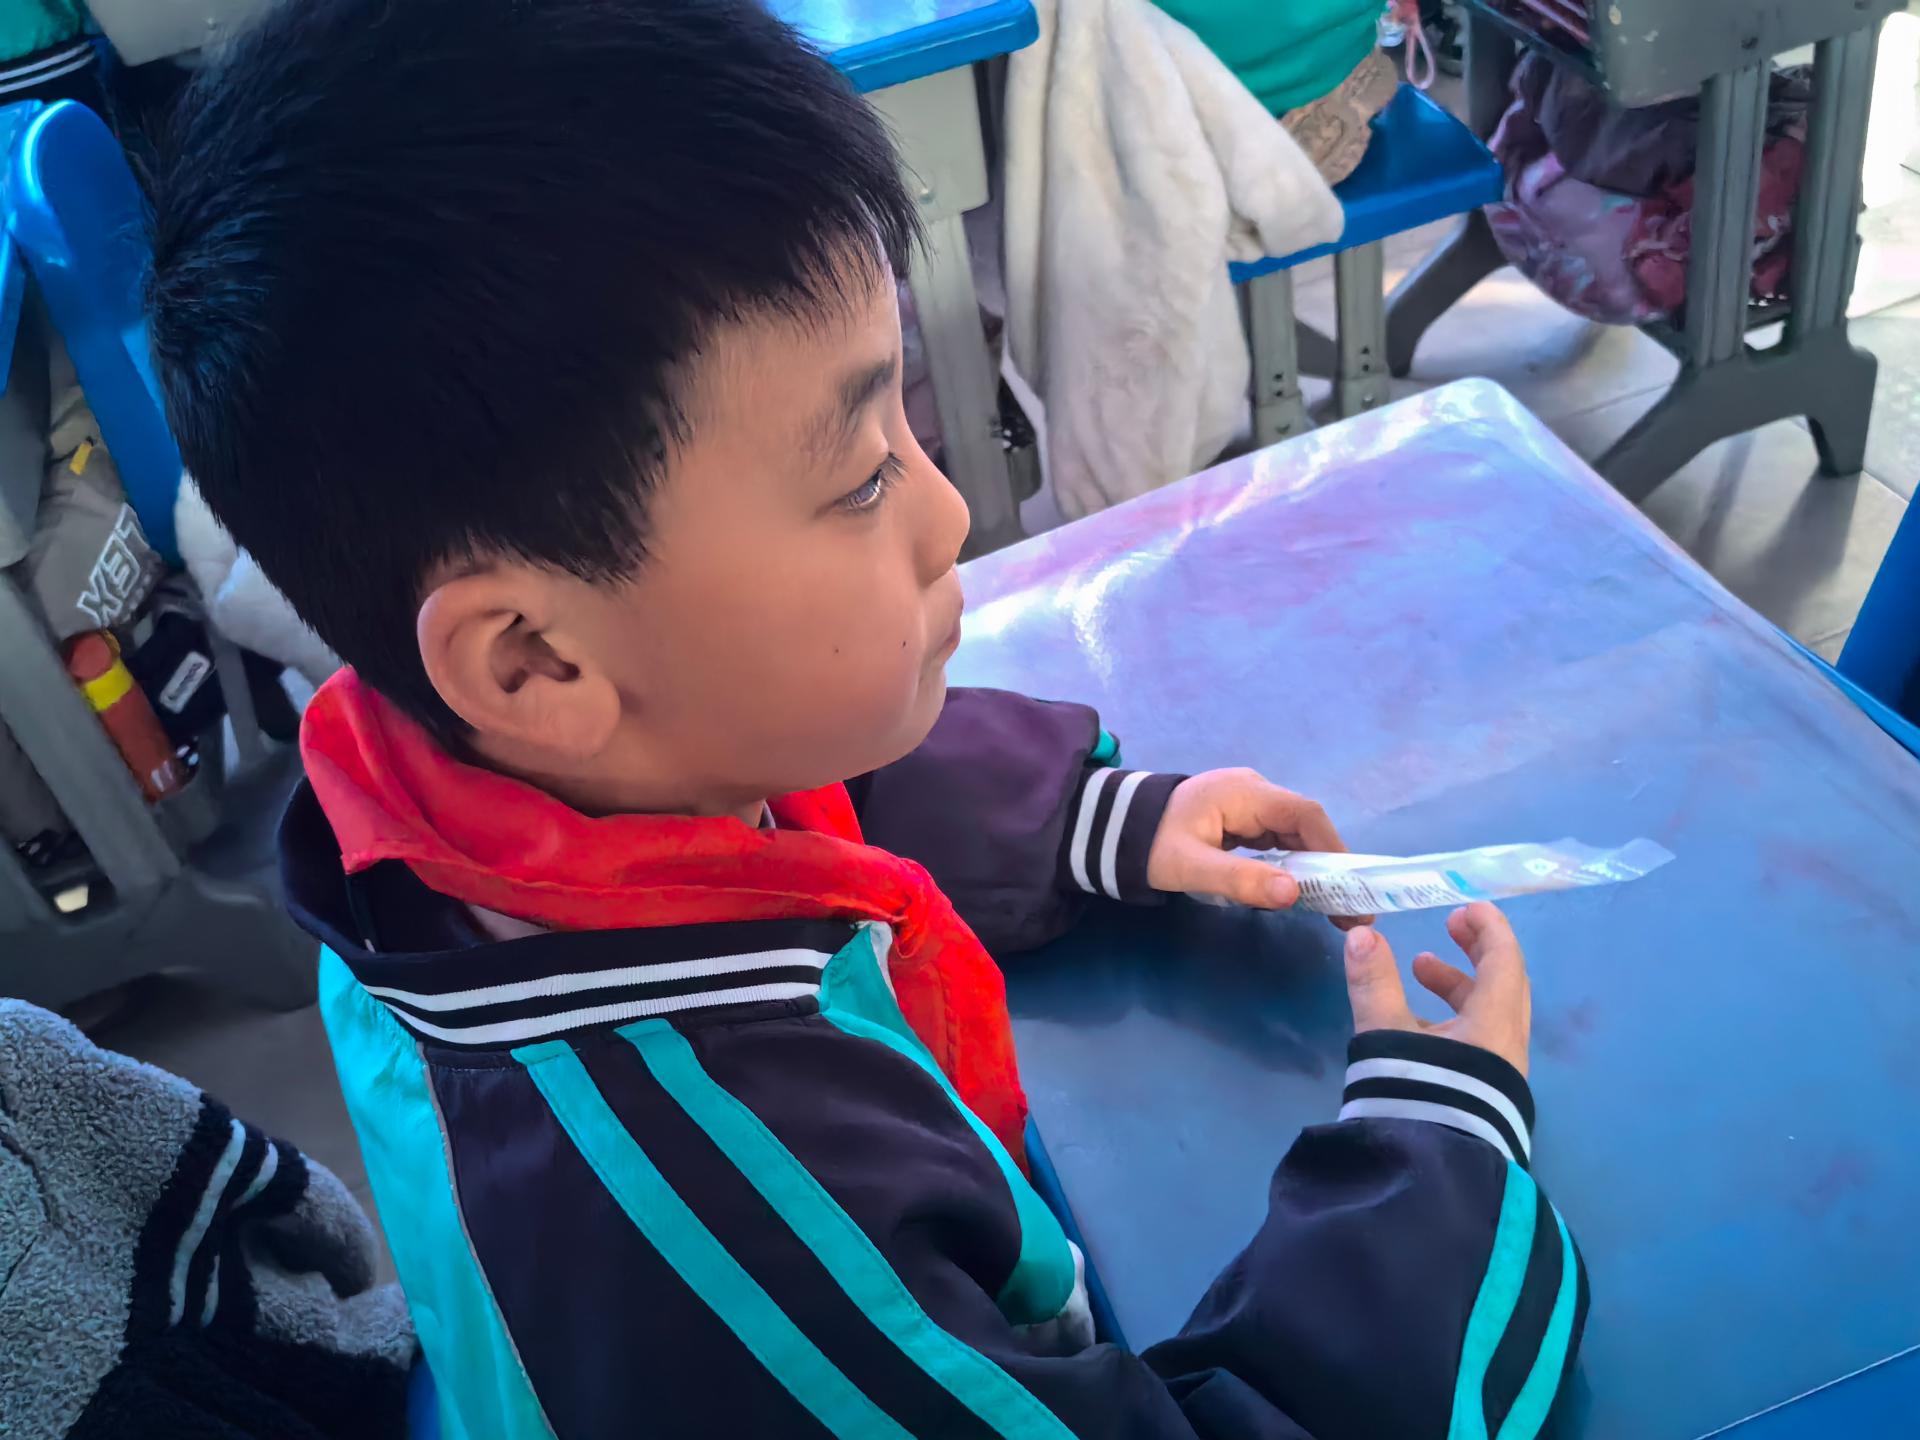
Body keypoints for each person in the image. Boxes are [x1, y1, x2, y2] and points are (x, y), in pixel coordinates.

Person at [144, 0, 1586, 1434]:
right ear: (531, 660)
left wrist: (1098, 821)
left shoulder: (422, 795)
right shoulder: (740, 1230)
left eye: (911, 424)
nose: (951, 512)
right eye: (861, 478)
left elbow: (767, 777)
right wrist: (1436, 1149)